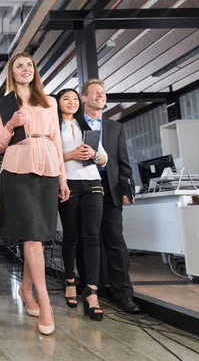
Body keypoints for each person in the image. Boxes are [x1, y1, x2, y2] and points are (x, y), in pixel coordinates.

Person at [0, 53, 69, 336]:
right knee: (32, 236)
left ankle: (26, 288)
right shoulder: (5, 104)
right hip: (17, 170)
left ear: (35, 71)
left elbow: (57, 141)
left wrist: (62, 177)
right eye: (19, 66)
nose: (25, 69)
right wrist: (12, 123)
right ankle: (45, 301)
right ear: (12, 73)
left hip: (48, 169)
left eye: (29, 65)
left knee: (37, 235)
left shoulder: (49, 102)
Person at [81, 78, 140, 314]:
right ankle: (91, 291)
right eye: (94, 92)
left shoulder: (115, 127)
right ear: (83, 98)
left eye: (102, 93)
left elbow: (123, 163)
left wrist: (127, 187)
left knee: (115, 241)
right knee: (87, 240)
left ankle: (124, 295)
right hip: (82, 186)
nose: (100, 96)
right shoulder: (72, 124)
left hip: (109, 187)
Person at [53, 88, 107, 321]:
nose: (72, 102)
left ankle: (92, 292)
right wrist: (70, 154)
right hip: (69, 185)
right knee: (71, 236)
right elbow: (48, 156)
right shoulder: (54, 128)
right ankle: (69, 282)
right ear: (58, 103)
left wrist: (93, 154)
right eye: (66, 98)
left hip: (93, 182)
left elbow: (104, 158)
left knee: (92, 237)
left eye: (75, 99)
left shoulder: (89, 127)